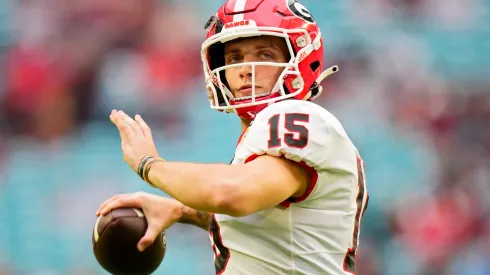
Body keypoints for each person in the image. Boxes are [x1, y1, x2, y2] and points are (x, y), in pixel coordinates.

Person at [96, 0, 369, 274]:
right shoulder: (265, 133)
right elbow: (267, 217)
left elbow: (233, 195)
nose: (245, 69)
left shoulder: (300, 116)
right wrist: (181, 210)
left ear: (301, 58)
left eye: (264, 55)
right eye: (235, 58)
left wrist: (149, 164)